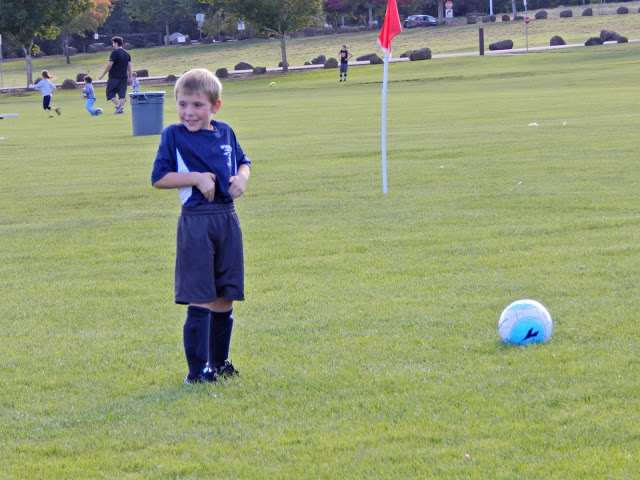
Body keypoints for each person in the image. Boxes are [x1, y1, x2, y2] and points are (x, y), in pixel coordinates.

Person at [151, 68, 251, 385]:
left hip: (227, 218)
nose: (188, 112)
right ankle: (197, 372)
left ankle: (219, 364)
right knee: (200, 294)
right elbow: (159, 178)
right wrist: (195, 178)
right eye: (182, 104)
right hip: (196, 222)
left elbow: (244, 162)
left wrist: (242, 179)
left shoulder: (226, 133)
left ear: (215, 107)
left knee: (225, 296)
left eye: (197, 105)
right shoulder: (174, 135)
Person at [98, 36, 132, 114]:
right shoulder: (127, 53)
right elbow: (129, 66)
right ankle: (121, 109)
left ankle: (118, 106)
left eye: (113, 43)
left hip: (114, 77)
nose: (113, 45)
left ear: (116, 43)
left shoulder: (115, 53)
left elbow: (110, 64)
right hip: (124, 76)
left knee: (109, 92)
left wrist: (103, 74)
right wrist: (130, 77)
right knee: (122, 93)